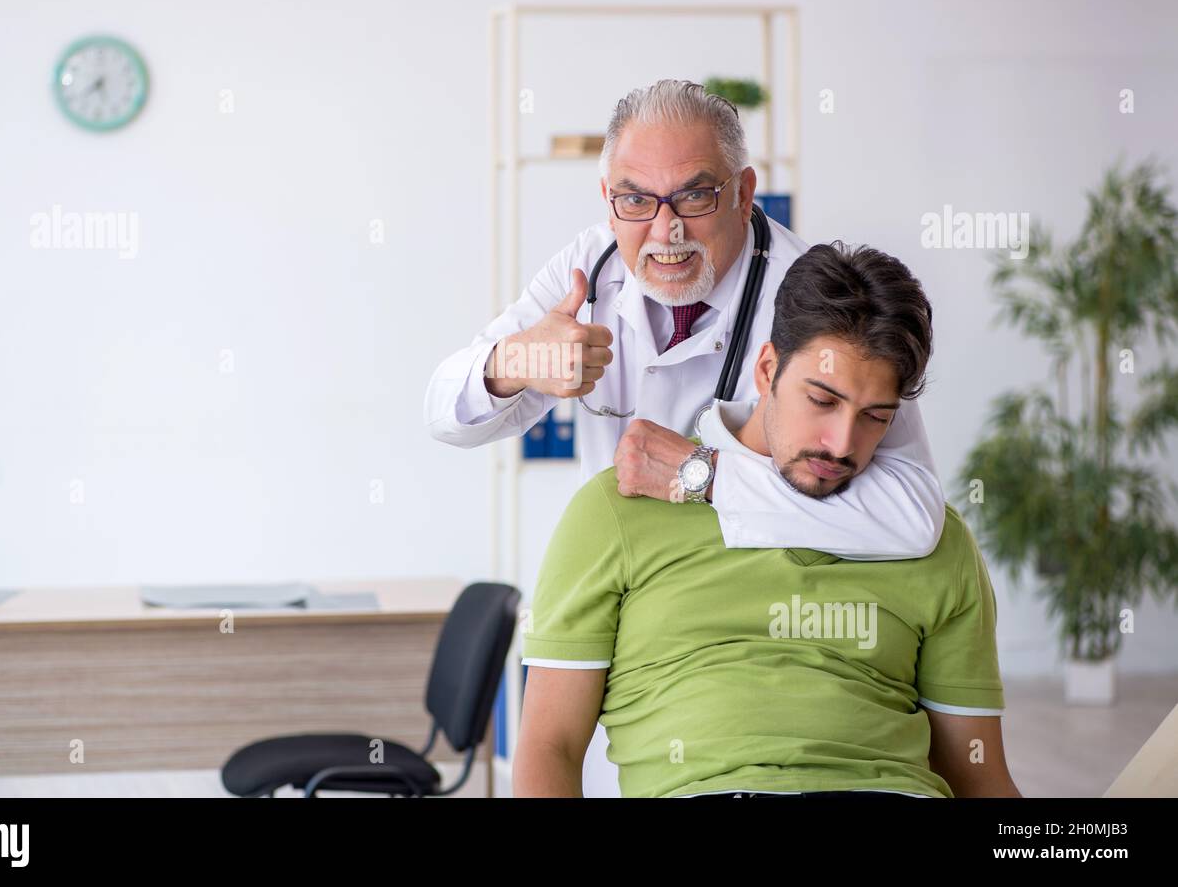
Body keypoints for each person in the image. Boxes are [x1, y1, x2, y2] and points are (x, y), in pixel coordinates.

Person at [425, 78, 946, 795]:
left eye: (695, 197)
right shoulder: (590, 269)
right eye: (635, 199)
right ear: (607, 196)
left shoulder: (811, 297)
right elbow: (444, 413)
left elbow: (915, 512)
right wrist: (515, 364)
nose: (664, 229)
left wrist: (705, 476)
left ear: (743, 192)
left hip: (778, 629)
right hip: (631, 628)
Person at [512, 242, 1021, 798]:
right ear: (767, 369)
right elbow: (548, 746)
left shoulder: (935, 541)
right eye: (822, 401)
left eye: (875, 417)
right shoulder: (619, 509)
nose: (842, 444)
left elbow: (978, 775)